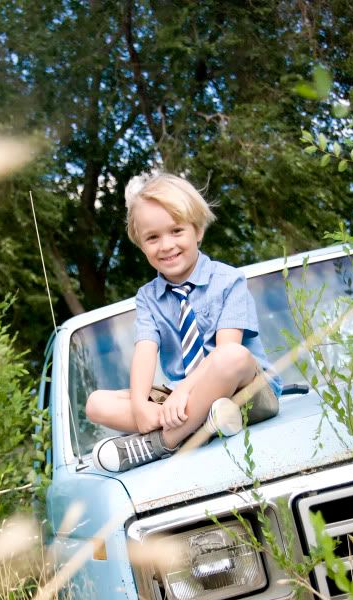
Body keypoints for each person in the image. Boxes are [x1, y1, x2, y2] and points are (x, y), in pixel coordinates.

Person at [86, 172, 282, 473]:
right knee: (96, 403)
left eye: (176, 231)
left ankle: (163, 441)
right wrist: (140, 406)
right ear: (141, 244)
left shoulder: (229, 280)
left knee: (233, 355)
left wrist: (182, 394)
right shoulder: (148, 297)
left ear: (198, 230)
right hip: (186, 400)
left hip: (247, 394)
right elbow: (145, 351)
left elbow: (225, 353)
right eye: (153, 237)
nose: (166, 245)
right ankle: (205, 424)